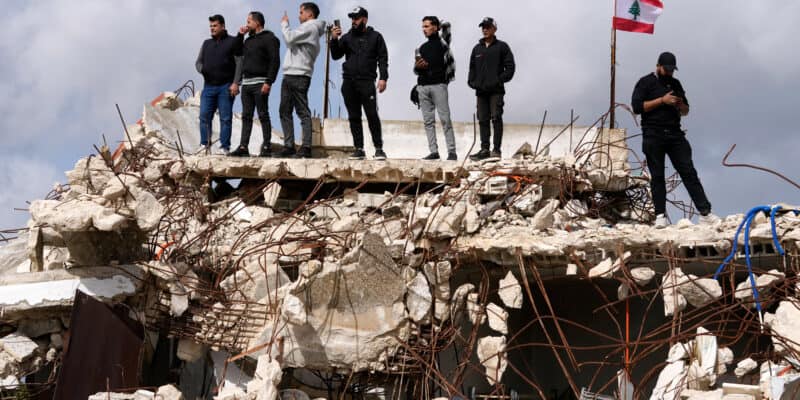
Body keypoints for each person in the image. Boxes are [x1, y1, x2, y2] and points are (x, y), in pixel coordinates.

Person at [631, 51, 718, 228]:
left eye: (672, 70)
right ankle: (660, 216)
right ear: (658, 66)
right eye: (666, 69)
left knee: (689, 172)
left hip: (674, 134)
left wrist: (680, 104)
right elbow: (637, 107)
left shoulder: (675, 83)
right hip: (653, 133)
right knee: (657, 176)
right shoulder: (645, 82)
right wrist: (662, 100)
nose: (669, 72)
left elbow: (686, 111)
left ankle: (705, 213)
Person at [330, 6, 389, 160]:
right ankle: (359, 149)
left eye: (356, 18)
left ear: (364, 19)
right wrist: (334, 39)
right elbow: (335, 55)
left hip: (367, 82)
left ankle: (379, 149)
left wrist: (383, 78)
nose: (353, 21)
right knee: (354, 116)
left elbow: (383, 59)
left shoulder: (376, 37)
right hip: (349, 82)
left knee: (372, 115)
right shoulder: (347, 37)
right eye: (352, 18)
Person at [279, 2, 327, 159]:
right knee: (284, 111)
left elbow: (289, 38)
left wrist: (285, 24)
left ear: (310, 14)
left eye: (301, 12)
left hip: (299, 74)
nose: (299, 15)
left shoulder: (310, 28)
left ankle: (306, 147)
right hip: (290, 73)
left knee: (302, 111)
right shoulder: (308, 29)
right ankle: (289, 146)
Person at [229, 12, 281, 158]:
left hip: (261, 82)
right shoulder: (248, 40)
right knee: (246, 116)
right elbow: (236, 52)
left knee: (263, 114)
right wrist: (240, 35)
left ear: (257, 23)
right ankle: (243, 147)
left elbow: (275, 61)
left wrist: (269, 82)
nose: (246, 24)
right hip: (247, 83)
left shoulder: (270, 38)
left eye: (249, 21)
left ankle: (266, 146)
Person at [467, 17, 515, 161]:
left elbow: (510, 67)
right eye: (483, 27)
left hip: (496, 91)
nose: (485, 29)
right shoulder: (477, 48)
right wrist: (472, 82)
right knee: (482, 119)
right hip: (481, 91)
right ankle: (484, 150)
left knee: (496, 117)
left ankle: (496, 150)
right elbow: (472, 68)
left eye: (488, 27)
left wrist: (498, 80)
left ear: (494, 29)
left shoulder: (502, 46)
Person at [196, 14, 242, 155]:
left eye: (215, 26)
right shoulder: (206, 43)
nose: (212, 28)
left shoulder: (232, 42)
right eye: (211, 26)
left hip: (226, 86)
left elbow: (240, 63)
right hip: (208, 86)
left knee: (225, 118)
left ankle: (224, 147)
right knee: (204, 116)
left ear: (223, 26)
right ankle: (204, 145)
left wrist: (236, 83)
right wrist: (203, 70)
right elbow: (198, 62)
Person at [414, 16, 457, 161]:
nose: (424, 29)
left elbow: (447, 27)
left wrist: (439, 24)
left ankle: (452, 152)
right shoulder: (421, 48)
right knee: (428, 122)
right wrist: (418, 66)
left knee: (445, 119)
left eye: (426, 26)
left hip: (439, 85)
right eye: (423, 26)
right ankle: (434, 152)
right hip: (423, 86)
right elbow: (415, 70)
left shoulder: (443, 42)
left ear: (435, 27)